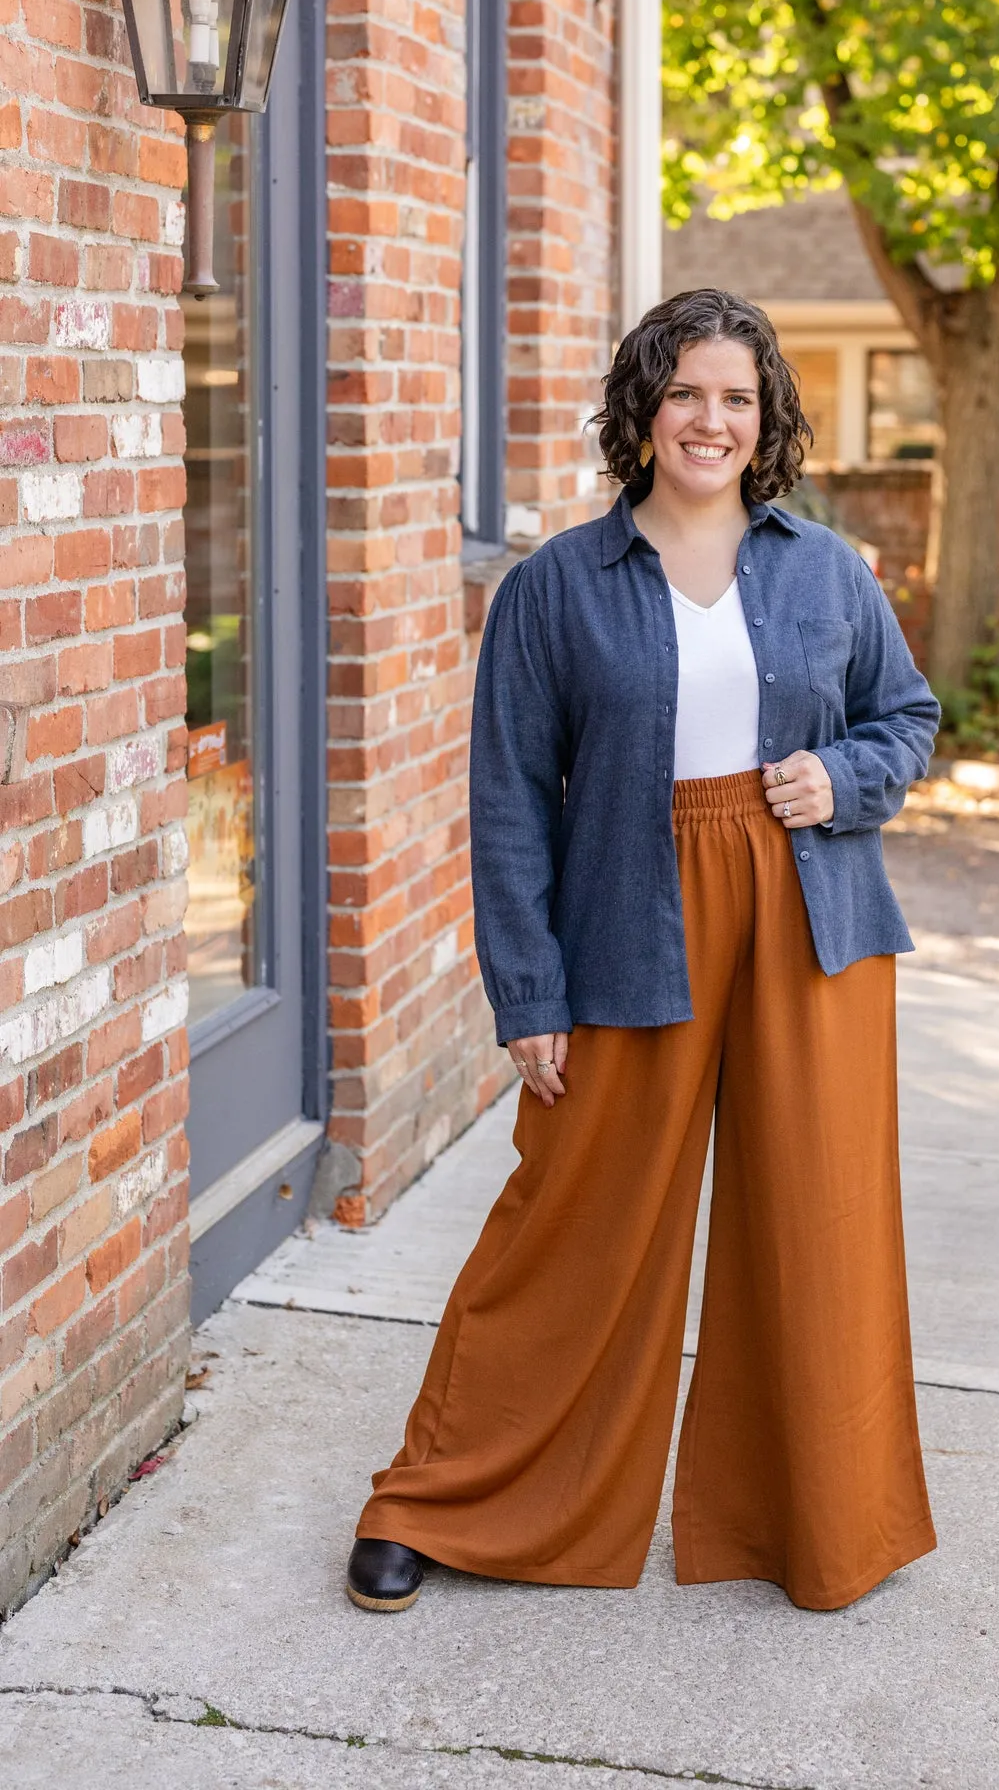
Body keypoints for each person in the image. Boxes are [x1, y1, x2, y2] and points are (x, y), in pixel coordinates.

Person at [346, 288, 941, 1614]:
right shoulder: (557, 585)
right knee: (574, 1222)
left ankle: (823, 1520)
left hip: (807, 917)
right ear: (644, 411)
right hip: (627, 903)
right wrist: (528, 990)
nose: (710, 420)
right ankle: (440, 1498)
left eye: (735, 397)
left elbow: (907, 716)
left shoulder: (826, 569)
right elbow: (506, 793)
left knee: (818, 1224)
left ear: (766, 417)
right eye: (685, 394)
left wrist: (839, 779)